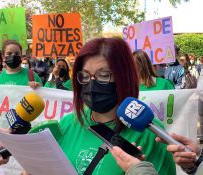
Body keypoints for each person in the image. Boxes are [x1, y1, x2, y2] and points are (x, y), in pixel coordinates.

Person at [56, 38, 175, 175]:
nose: (92, 83)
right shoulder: (67, 124)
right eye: (85, 75)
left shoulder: (150, 134)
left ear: (124, 77)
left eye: (104, 75)